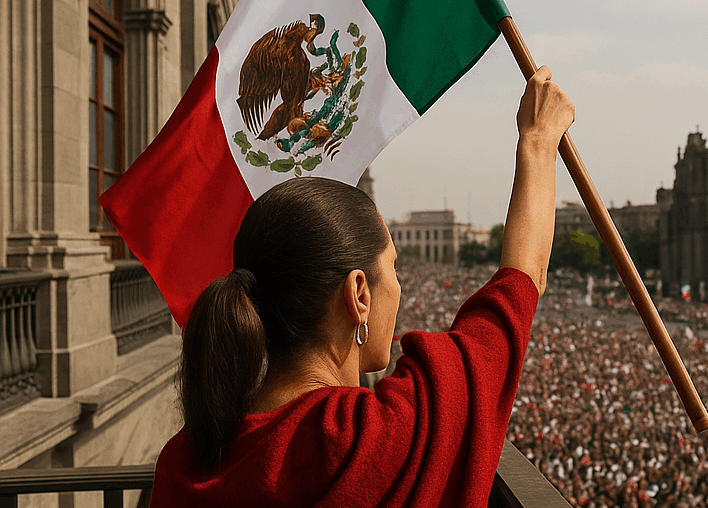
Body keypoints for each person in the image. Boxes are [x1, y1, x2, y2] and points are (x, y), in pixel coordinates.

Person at [150, 66, 575, 508]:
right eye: (392, 269)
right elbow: (521, 284)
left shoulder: (182, 461)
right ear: (358, 294)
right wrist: (539, 142)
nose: (400, 287)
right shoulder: (374, 437)